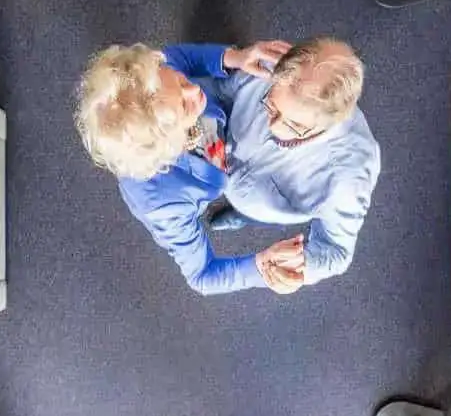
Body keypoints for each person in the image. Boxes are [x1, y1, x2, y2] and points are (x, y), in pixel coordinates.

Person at [75, 41, 307, 295]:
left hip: (220, 122)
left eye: (180, 81)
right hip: (213, 170)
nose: (195, 89)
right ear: (168, 146)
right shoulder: (164, 206)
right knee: (271, 203)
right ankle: (245, 213)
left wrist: (235, 57)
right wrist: (260, 267)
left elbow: (179, 58)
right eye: (183, 106)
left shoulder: (155, 81)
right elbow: (202, 276)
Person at [213, 37, 380, 287]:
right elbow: (223, 92)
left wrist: (302, 271)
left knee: (255, 212)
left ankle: (242, 215)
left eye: (295, 125)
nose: (275, 127)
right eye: (271, 107)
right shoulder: (270, 65)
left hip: (261, 206)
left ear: (333, 120)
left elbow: (337, 252)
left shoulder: (349, 178)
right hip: (220, 151)